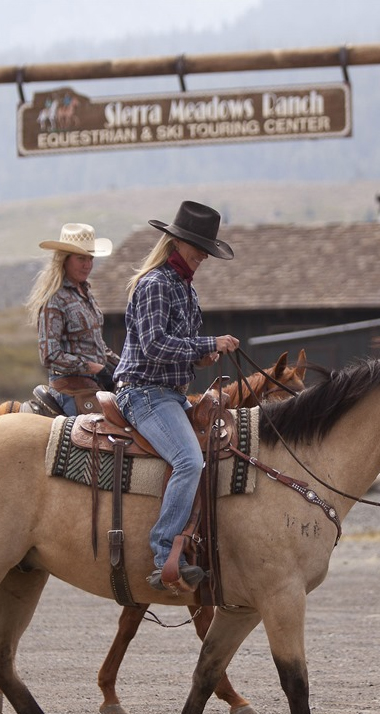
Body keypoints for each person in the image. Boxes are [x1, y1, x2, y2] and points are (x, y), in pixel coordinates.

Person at [112, 201, 241, 592]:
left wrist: (201, 357)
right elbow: (153, 345)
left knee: (218, 447)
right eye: (198, 247)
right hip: (144, 393)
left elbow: (178, 347)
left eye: (207, 249)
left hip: (168, 393)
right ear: (177, 242)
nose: (203, 255)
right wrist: (207, 343)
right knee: (188, 460)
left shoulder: (186, 289)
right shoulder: (155, 284)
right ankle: (164, 552)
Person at [25, 222, 120, 417]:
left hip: (94, 384)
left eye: (90, 258)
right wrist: (92, 367)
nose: (87, 265)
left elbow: (97, 345)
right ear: (64, 260)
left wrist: (123, 365)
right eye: (81, 259)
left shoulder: (85, 294)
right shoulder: (54, 299)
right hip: (70, 388)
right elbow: (49, 355)